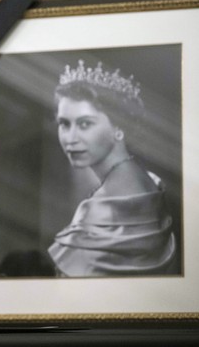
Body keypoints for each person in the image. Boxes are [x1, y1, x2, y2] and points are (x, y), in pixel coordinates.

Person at [47, 60, 176, 277]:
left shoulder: (104, 208)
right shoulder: (143, 178)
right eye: (64, 124)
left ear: (119, 127)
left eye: (85, 124)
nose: (70, 139)